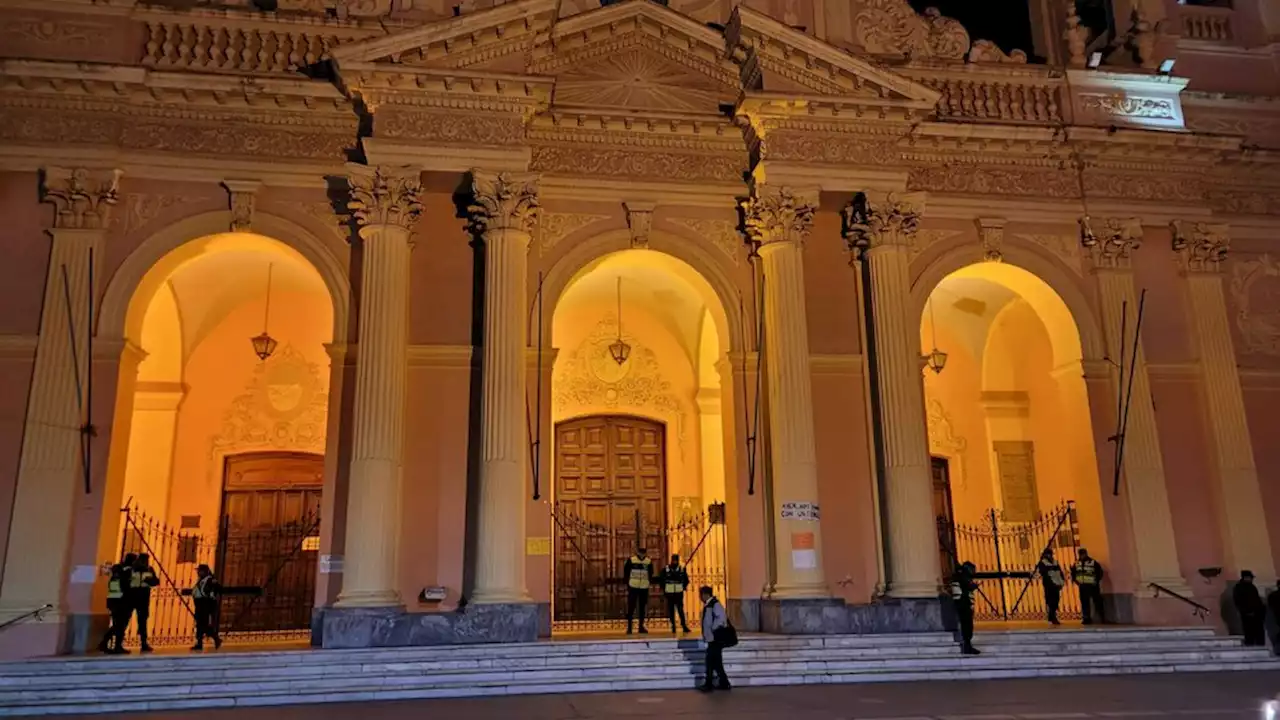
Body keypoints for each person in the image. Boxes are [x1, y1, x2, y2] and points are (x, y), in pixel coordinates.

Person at [97, 553, 135, 655]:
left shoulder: (116, 573)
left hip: (114, 602)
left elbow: (113, 588)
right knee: (120, 626)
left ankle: (110, 644)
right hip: (123, 603)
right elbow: (128, 588)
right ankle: (110, 644)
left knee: (118, 625)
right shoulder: (126, 573)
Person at [181, 564, 223, 651]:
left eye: (200, 571)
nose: (198, 572)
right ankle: (200, 643)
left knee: (202, 624)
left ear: (205, 571)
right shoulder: (201, 580)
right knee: (199, 625)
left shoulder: (210, 580)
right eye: (198, 571)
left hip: (205, 604)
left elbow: (218, 588)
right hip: (199, 604)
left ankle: (215, 638)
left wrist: (210, 591)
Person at [698, 585, 731, 692]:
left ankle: (709, 684)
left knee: (710, 662)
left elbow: (721, 619)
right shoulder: (709, 605)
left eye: (701, 595)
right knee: (716, 663)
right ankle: (724, 682)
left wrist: (713, 629)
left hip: (715, 639)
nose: (700, 597)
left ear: (705, 594)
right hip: (712, 639)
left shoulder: (714, 604)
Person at [128, 553, 160, 652]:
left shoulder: (149, 569)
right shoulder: (132, 569)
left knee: (142, 621)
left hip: (143, 597)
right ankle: (117, 643)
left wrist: (149, 580)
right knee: (125, 620)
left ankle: (144, 643)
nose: (145, 561)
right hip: (132, 596)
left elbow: (156, 581)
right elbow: (126, 581)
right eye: (144, 559)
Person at [950, 560, 980, 656]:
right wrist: (975, 585)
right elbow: (969, 586)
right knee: (967, 626)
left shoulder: (958, 576)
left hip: (961, 604)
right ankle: (967, 646)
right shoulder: (963, 577)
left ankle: (967, 645)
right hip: (964, 604)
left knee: (966, 626)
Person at [623, 546, 654, 634]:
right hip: (633, 587)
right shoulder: (632, 560)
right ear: (637, 552)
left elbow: (651, 573)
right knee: (631, 608)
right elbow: (626, 572)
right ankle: (629, 628)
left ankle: (641, 627)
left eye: (643, 553)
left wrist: (649, 583)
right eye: (640, 552)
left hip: (644, 587)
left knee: (642, 608)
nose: (642, 554)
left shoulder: (648, 561)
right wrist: (628, 584)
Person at [1072, 548, 1106, 625]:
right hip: (1083, 586)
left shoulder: (1093, 562)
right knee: (1084, 602)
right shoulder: (1077, 563)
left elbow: (1099, 573)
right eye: (1081, 554)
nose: (1082, 556)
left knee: (1097, 601)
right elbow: (1074, 573)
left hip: (1093, 586)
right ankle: (1086, 618)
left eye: (1083, 554)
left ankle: (1101, 617)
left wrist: (1096, 581)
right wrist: (1077, 582)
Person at [659, 554, 691, 635]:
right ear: (671, 560)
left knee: (680, 610)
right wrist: (664, 589)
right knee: (671, 610)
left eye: (676, 560)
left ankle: (683, 625)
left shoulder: (681, 569)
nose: (675, 562)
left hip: (678, 594)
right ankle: (673, 626)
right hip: (669, 594)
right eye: (674, 560)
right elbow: (661, 580)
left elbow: (686, 580)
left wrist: (683, 586)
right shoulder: (666, 569)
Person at [1234, 570, 1266, 647]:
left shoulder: (1250, 587)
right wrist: (1248, 611)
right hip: (1249, 615)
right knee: (1250, 634)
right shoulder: (1241, 588)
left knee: (1257, 634)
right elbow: (1239, 602)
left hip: (1255, 614)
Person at [1036, 548, 1066, 626]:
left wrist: (1062, 582)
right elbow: (1044, 573)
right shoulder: (1042, 562)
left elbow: (1060, 572)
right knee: (1051, 601)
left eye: (1050, 554)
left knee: (1056, 600)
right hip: (1049, 585)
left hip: (1057, 584)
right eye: (1048, 554)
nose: (1050, 555)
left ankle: (1051, 616)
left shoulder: (1055, 562)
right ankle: (1053, 617)